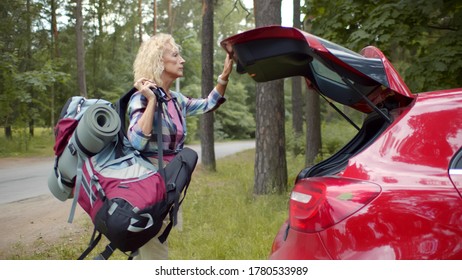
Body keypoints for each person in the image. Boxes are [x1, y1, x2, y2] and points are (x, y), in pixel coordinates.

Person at [127, 33, 233, 259]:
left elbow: (208, 104)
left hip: (168, 185)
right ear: (158, 62)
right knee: (156, 255)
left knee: (145, 252)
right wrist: (153, 101)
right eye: (175, 55)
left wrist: (224, 75)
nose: (182, 60)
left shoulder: (176, 99)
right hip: (147, 190)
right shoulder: (141, 99)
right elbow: (136, 141)